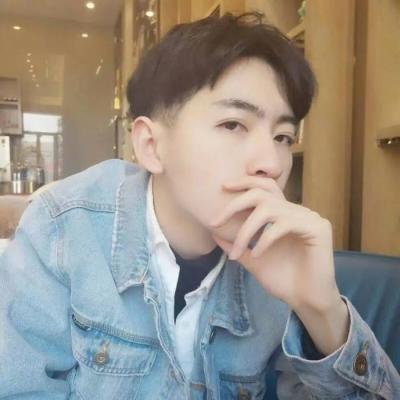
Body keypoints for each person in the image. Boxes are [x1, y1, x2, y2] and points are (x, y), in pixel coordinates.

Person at [0, 12, 398, 400]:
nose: (272, 164)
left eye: (283, 137)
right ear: (151, 146)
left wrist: (322, 310)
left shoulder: (276, 263)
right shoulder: (62, 229)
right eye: (233, 124)